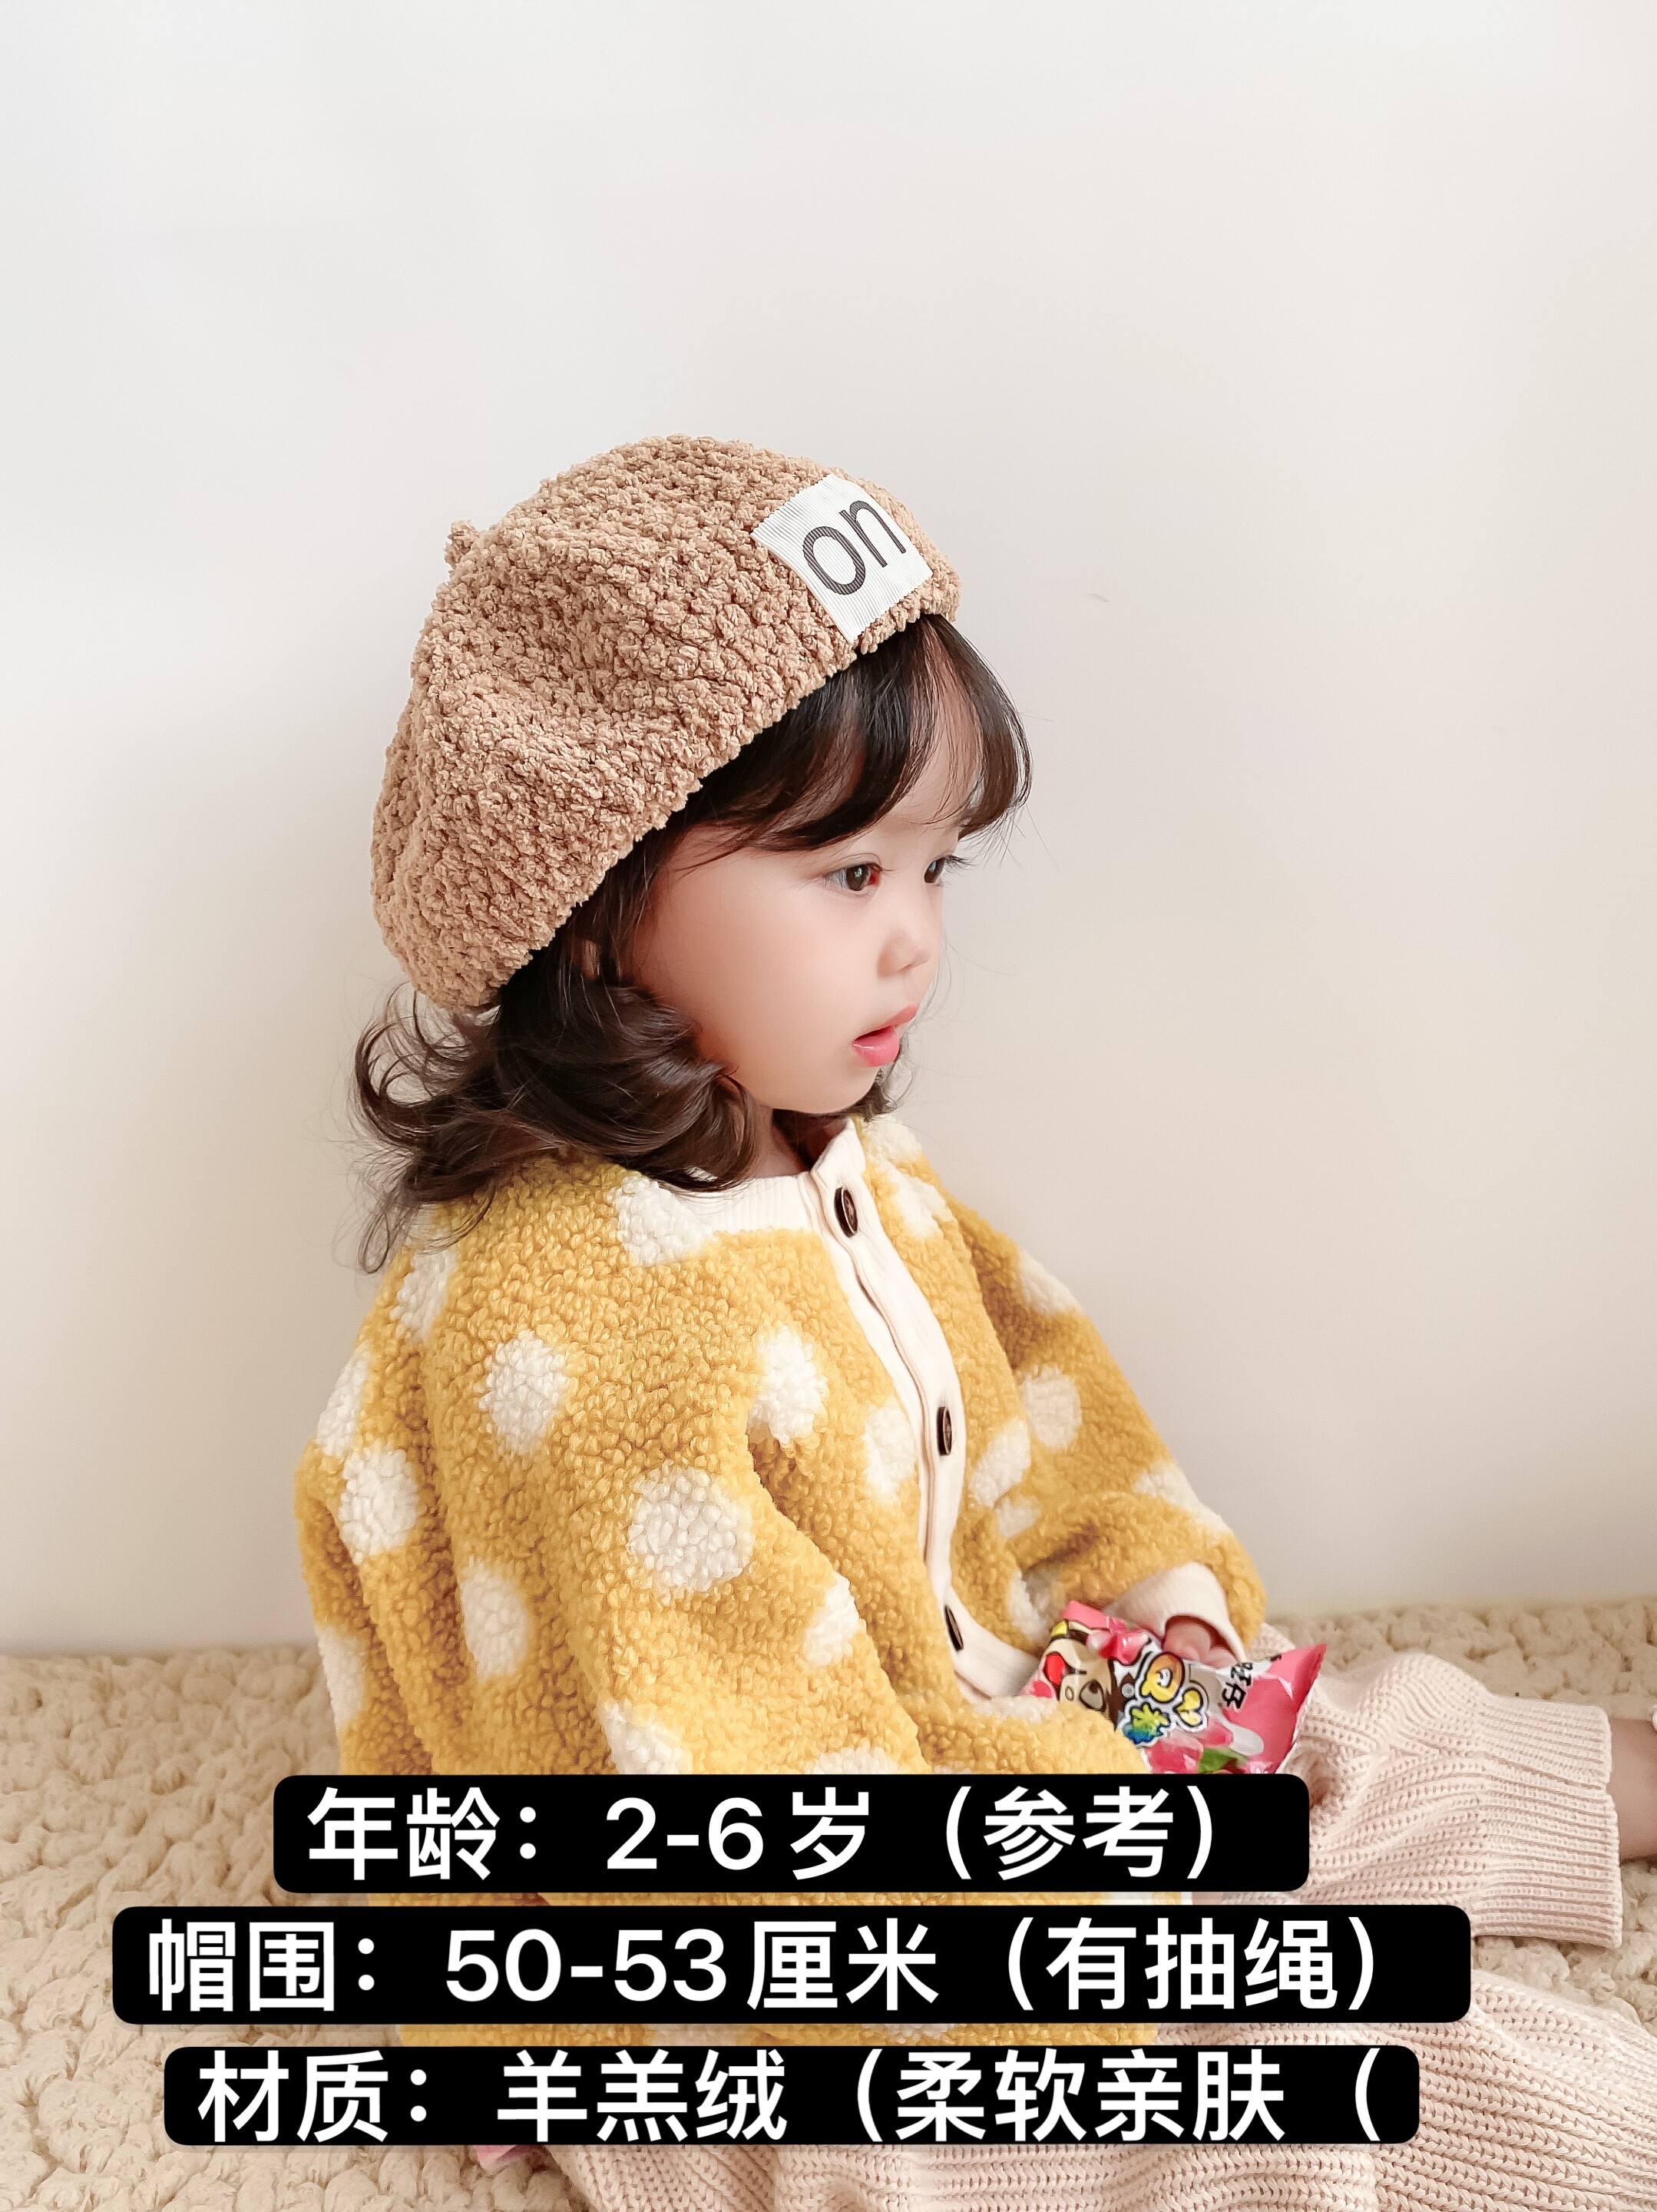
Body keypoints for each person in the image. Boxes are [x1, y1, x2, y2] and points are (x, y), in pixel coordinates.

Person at [294, 435, 1657, 2210]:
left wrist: (1150, 1623)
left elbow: (1037, 1402)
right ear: (599, 901)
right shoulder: (573, 1334)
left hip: (951, 1723)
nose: (914, 941)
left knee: (1301, 1739)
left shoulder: (825, 1152)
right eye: (847, 875)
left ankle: (1591, 1786)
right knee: (1279, 2073)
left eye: (933, 868)